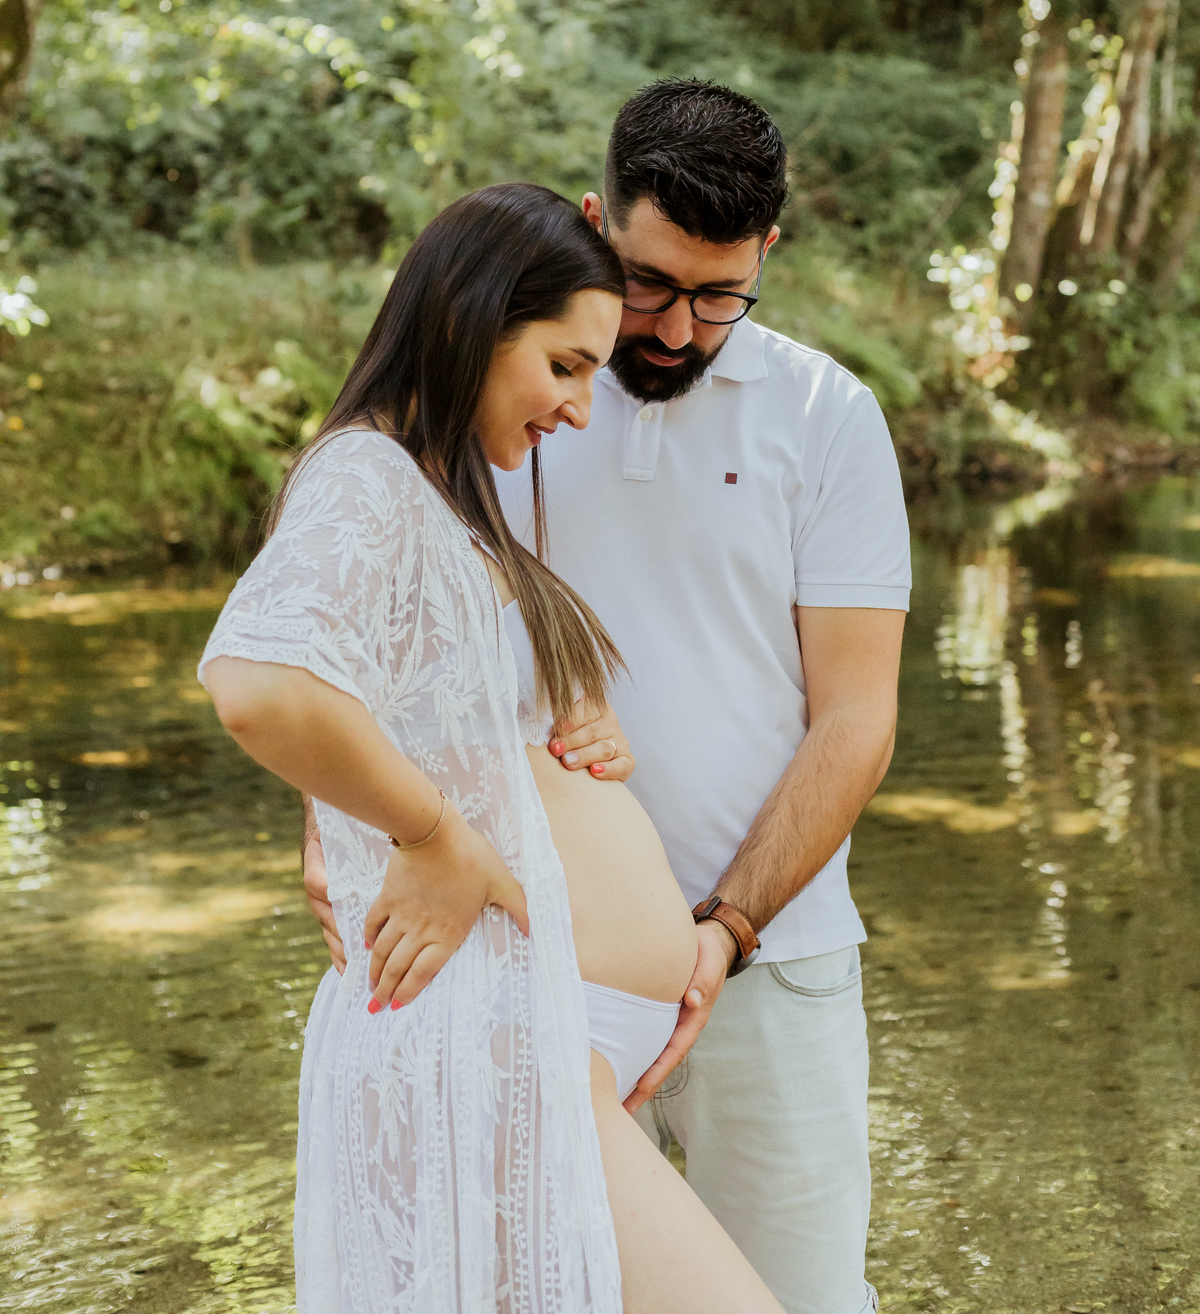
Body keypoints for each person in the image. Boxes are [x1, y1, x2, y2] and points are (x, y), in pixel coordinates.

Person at [305, 80, 910, 1314]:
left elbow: (858, 715)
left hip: (770, 965)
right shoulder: (504, 392)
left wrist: (721, 933)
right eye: (650, 285)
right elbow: (348, 644)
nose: (682, 330)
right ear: (595, 223)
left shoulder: (830, 418)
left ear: (767, 258)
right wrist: (335, 827)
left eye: (722, 295)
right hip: (512, 967)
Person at [202, 182, 785, 1314]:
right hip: (494, 1041)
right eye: (564, 365)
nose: (579, 406)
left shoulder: (440, 494)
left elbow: (397, 695)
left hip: (542, 1039)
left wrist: (561, 721)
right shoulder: (367, 476)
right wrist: (433, 836)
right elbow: (260, 684)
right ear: (474, 315)